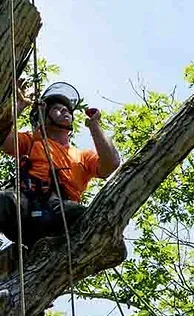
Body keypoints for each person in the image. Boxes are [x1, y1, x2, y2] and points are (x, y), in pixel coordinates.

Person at [0, 80, 120, 248]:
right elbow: (3, 138)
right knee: (3, 200)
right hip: (25, 205)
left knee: (89, 217)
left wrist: (94, 126)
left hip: (60, 211)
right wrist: (19, 106)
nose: (64, 110)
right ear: (44, 118)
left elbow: (111, 163)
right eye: (56, 108)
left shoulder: (82, 156)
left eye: (66, 109)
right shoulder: (33, 141)